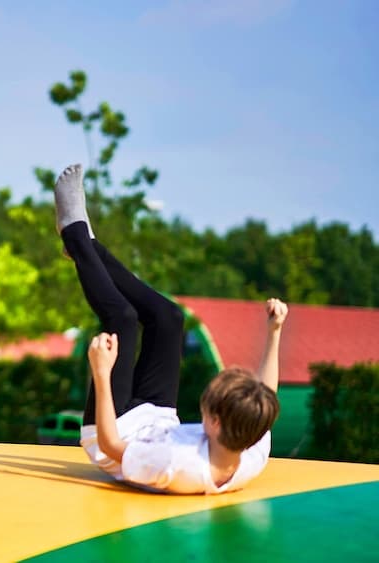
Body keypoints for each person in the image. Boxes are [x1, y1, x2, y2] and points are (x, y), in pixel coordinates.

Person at [54, 163, 286, 494]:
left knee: (122, 319)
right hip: (156, 419)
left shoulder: (175, 464)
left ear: (215, 423)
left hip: (114, 430)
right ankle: (87, 245)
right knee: (169, 318)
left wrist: (101, 374)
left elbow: (111, 446)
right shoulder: (249, 445)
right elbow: (266, 396)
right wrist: (275, 331)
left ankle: (74, 233)